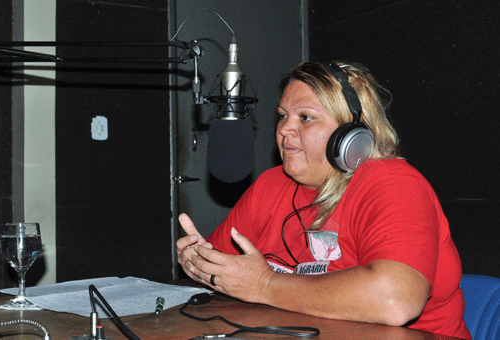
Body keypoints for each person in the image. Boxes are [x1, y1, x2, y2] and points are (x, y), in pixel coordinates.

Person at [177, 61, 471, 339]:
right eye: (282, 116)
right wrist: (201, 263)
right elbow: (226, 268)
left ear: (351, 134)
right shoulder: (270, 185)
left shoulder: (394, 184)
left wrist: (264, 285)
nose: (284, 129)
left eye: (305, 117)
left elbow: (395, 300)